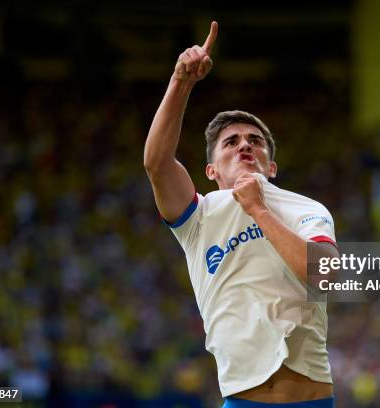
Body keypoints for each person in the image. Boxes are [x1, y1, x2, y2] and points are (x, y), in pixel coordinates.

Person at [143, 21, 339, 407]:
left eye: (256, 141)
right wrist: (181, 82)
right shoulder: (198, 217)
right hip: (242, 399)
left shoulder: (306, 208)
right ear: (211, 171)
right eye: (230, 143)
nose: (244, 146)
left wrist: (258, 209)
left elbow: (327, 275)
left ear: (272, 166)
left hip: (311, 400)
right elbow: (157, 164)